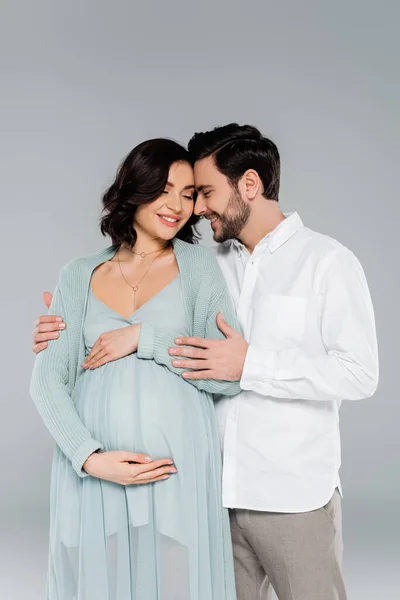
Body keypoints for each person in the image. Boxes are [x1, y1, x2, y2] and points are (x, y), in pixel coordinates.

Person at [33, 124, 379, 600]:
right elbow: (60, 366)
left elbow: (354, 372)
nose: (192, 208)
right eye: (174, 192)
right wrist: (59, 329)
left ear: (249, 186)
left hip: (282, 490)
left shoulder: (319, 261)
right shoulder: (211, 257)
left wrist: (238, 361)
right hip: (212, 488)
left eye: (201, 193)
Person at [30, 138, 241, 600]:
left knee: (175, 582)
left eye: (188, 194)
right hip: (93, 470)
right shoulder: (78, 274)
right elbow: (47, 380)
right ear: (135, 188)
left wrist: (145, 338)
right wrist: (89, 456)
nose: (177, 205)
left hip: (175, 468)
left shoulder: (198, 269)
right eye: (165, 188)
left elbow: (228, 373)